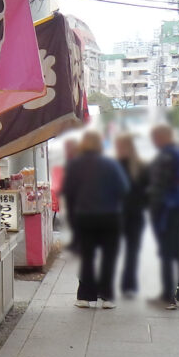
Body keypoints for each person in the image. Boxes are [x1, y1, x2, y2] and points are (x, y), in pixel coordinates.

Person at [63, 131, 129, 308]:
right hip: (110, 217)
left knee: (87, 256)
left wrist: (71, 217)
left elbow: (68, 193)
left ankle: (85, 296)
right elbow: (123, 190)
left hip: (84, 217)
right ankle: (107, 297)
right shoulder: (110, 164)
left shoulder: (74, 165)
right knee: (108, 257)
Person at [147, 125, 179, 310]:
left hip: (166, 212)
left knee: (166, 253)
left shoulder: (163, 158)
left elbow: (158, 188)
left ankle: (167, 297)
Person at [115, 133, 148, 299]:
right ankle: (129, 284)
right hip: (136, 214)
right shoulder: (141, 166)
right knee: (132, 250)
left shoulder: (113, 165)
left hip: (117, 214)